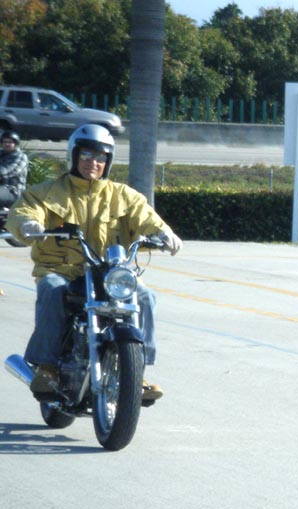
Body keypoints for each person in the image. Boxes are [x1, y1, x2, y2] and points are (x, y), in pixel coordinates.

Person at [6, 124, 182, 399]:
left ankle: (137, 371)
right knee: (52, 290)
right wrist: (28, 224)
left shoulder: (123, 196)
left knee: (144, 296)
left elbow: (146, 217)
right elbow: (25, 211)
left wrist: (163, 233)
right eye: (87, 155)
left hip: (110, 272)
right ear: (74, 156)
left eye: (101, 157)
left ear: (108, 162)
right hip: (61, 269)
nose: (93, 162)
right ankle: (47, 367)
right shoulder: (47, 192)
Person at [0, 129, 29, 212]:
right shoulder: (1, 153)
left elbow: (7, 172)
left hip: (13, 192)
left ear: (16, 143)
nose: (7, 144)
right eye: (5, 142)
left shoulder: (21, 157)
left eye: (10, 142)